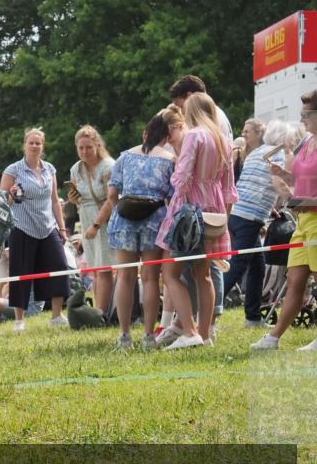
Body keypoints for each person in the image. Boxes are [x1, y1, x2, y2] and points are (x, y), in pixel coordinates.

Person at [155, 95, 236, 350]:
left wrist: (175, 179)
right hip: (214, 207)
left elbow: (182, 178)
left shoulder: (194, 135)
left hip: (189, 209)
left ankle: (189, 331)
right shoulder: (222, 138)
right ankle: (204, 332)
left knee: (170, 271)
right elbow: (229, 185)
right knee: (204, 274)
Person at [107, 111, 178, 349]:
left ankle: (124, 335)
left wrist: (124, 209)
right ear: (166, 138)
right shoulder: (169, 160)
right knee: (150, 279)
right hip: (154, 221)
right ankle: (148, 336)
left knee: (125, 277)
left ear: (144, 134)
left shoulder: (125, 157)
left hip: (125, 220)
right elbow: (171, 196)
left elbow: (111, 193)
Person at [253, 91, 317, 350]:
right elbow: (301, 182)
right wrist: (284, 175)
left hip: (314, 218)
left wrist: (305, 202)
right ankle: (272, 338)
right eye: (301, 114)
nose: (302, 119)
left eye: (307, 114)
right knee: (294, 280)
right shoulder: (306, 143)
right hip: (302, 222)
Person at [0, 128, 71, 332]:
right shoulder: (13, 170)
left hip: (47, 226)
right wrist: (11, 195)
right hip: (22, 226)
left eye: (38, 143)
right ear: (24, 145)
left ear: (42, 146)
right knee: (21, 272)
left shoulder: (50, 169)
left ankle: (56, 316)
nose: (34, 146)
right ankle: (19, 320)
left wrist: (62, 228)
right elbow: (2, 202)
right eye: (31, 143)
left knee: (59, 266)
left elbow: (55, 200)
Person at [225, 119, 294, 328]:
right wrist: (294, 201)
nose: (293, 142)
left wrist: (269, 207)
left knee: (257, 267)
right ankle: (209, 310)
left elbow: (254, 183)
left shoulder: (257, 152)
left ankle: (253, 318)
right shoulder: (278, 154)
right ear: (284, 139)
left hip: (238, 213)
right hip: (249, 218)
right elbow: (277, 182)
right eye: (291, 139)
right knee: (237, 266)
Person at [68, 126, 116, 318]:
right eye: (81, 148)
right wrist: (72, 199)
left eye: (88, 147)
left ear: (97, 145)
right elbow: (77, 198)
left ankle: (102, 313)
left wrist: (96, 225)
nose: (84, 152)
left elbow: (112, 199)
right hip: (85, 213)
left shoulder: (108, 166)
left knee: (104, 267)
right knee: (95, 268)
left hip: (104, 217)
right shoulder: (75, 168)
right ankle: (97, 309)